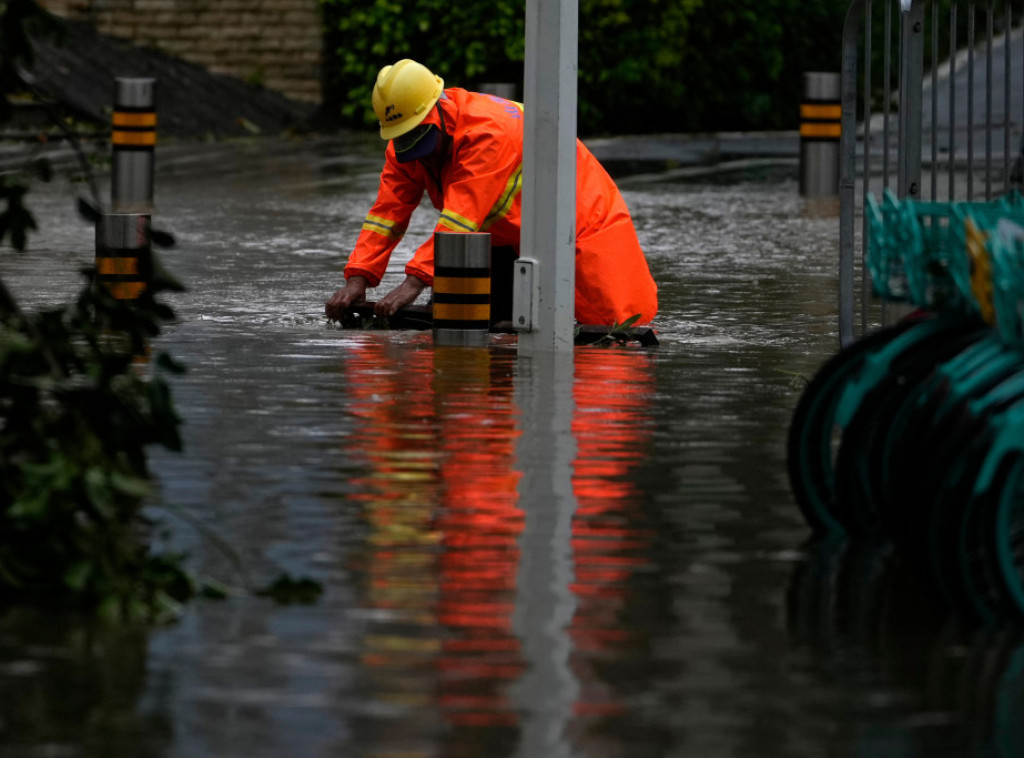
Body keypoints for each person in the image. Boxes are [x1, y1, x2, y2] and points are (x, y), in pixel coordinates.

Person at [324, 59, 658, 326]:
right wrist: (359, 277)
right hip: (500, 236)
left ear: (440, 107)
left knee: (618, 332)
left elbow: (461, 216)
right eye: (404, 137)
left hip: (577, 222)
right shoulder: (406, 147)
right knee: (474, 327)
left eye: (420, 137)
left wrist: (413, 283)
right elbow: (386, 214)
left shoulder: (489, 132)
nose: (417, 151)